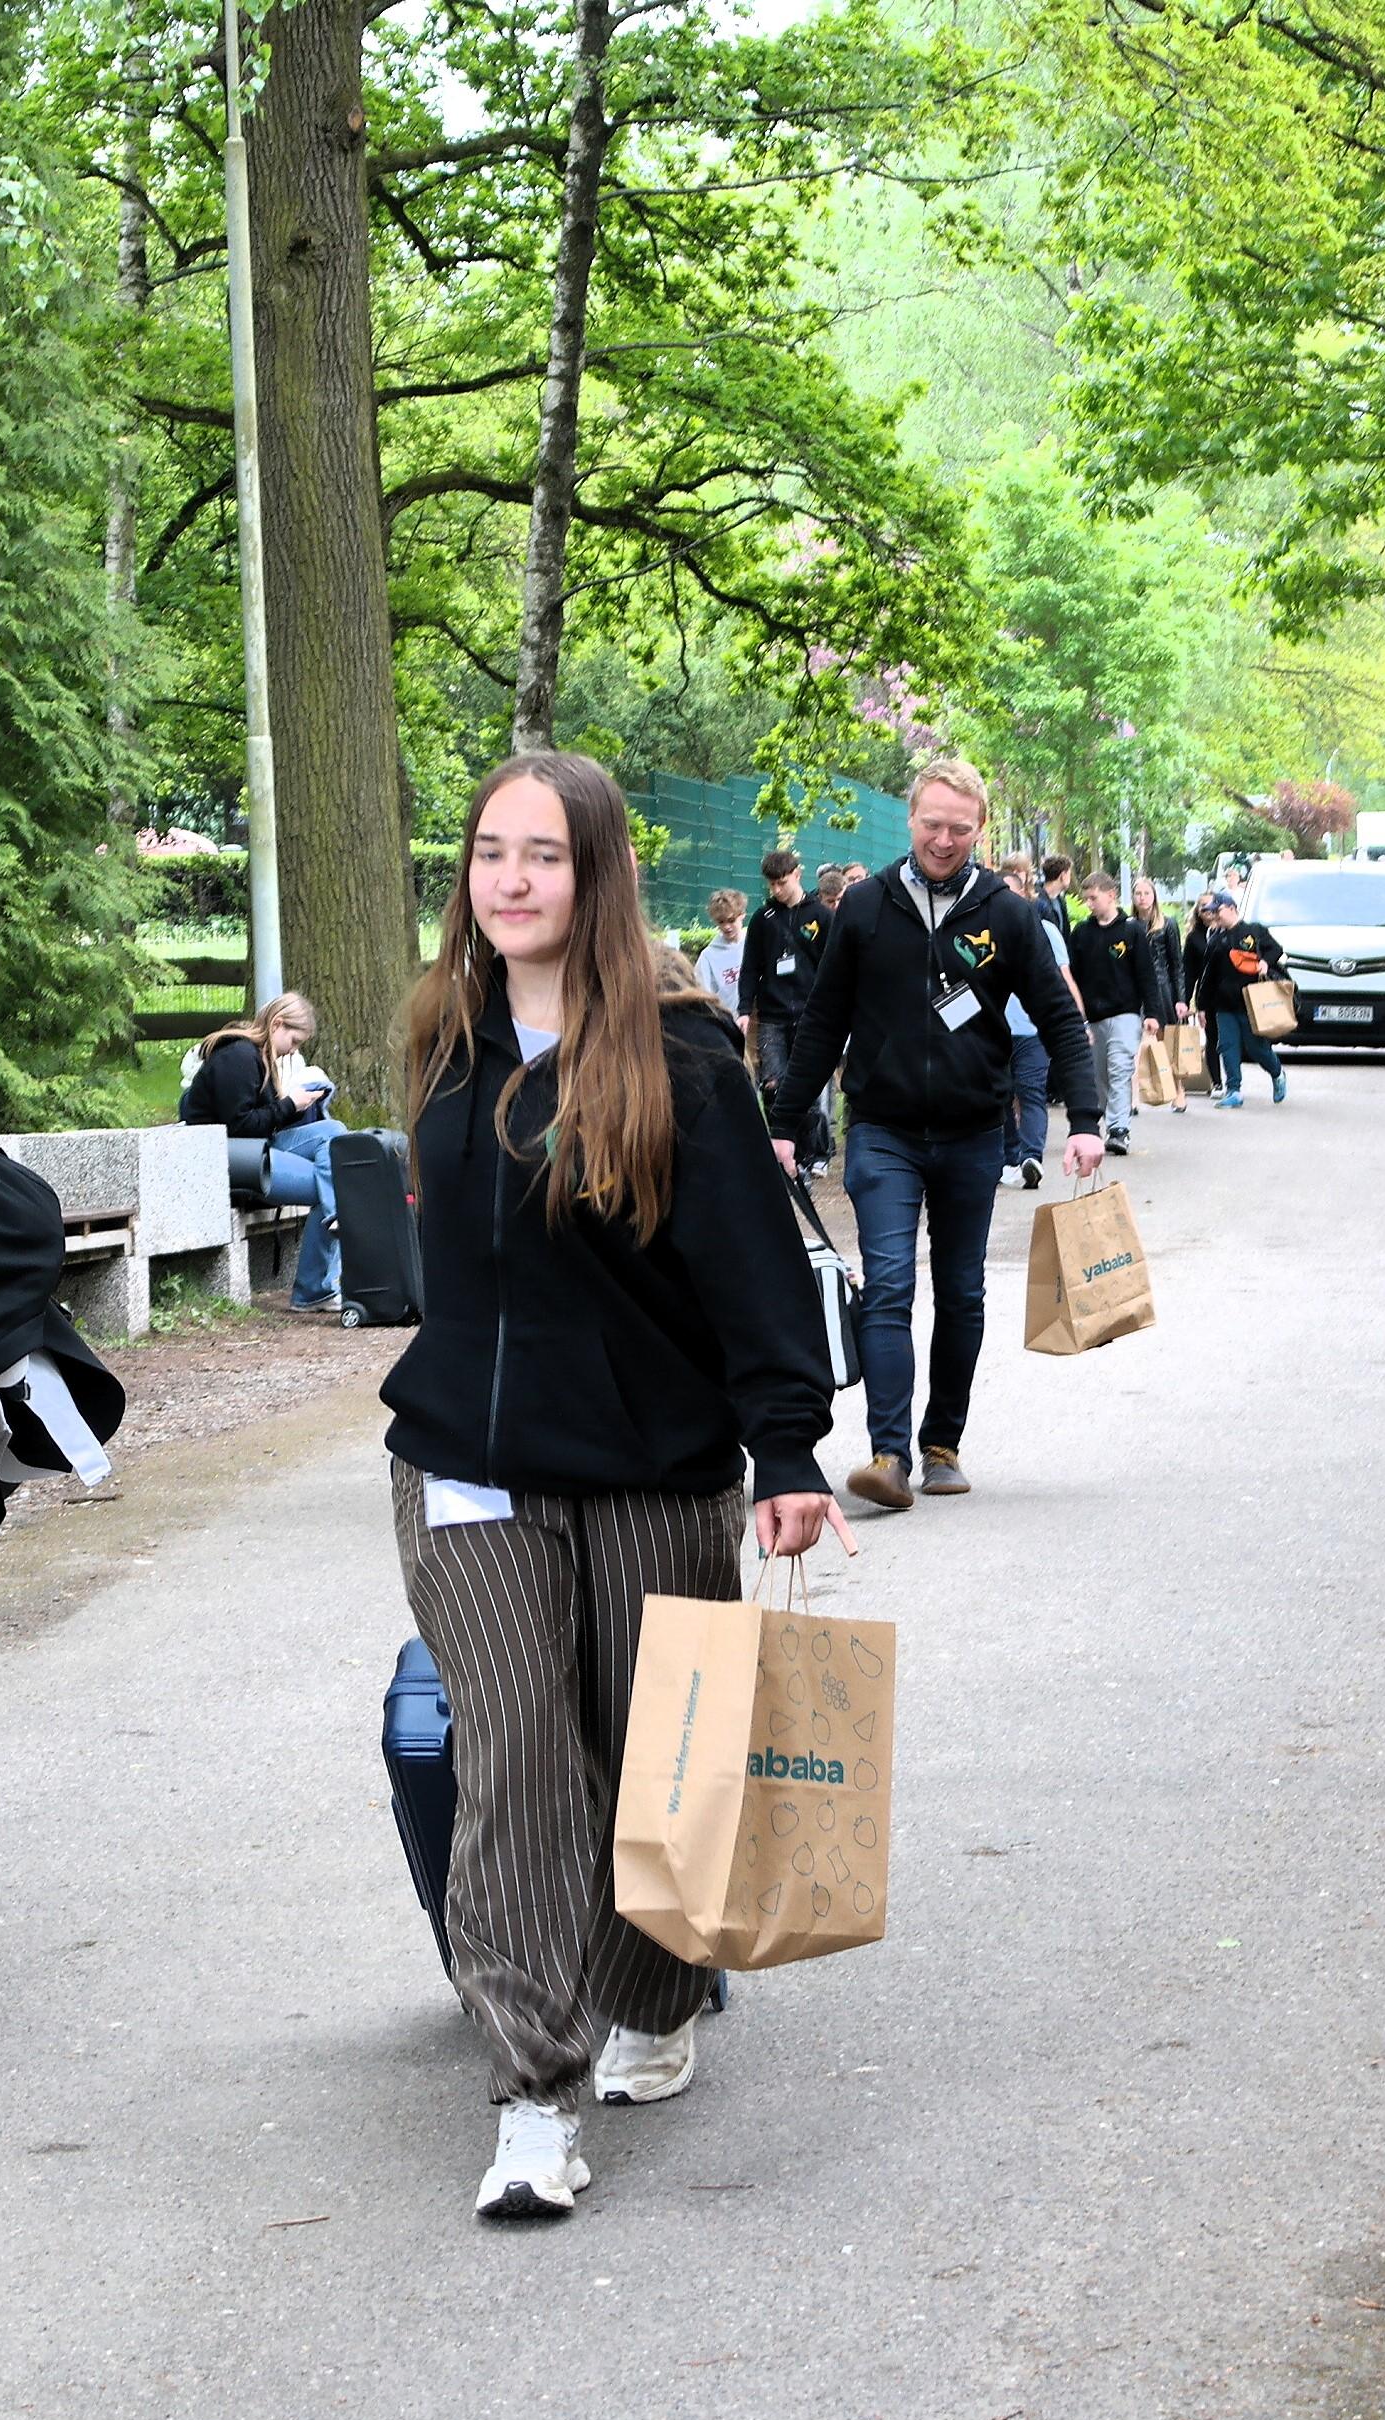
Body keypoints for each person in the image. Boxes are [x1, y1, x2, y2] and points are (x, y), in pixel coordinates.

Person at [379, 748, 848, 2219]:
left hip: (650, 1464)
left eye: (544, 854)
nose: (510, 879)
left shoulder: (679, 1052)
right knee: (516, 1754)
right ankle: (533, 2093)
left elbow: (754, 1269)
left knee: (657, 1750)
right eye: (489, 851)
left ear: (597, 876)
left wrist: (786, 1448)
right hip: (468, 1470)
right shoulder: (443, 1035)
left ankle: (657, 1987)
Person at [763, 754, 1104, 1512]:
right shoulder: (864, 906)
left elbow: (1059, 1018)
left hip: (973, 1133)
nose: (943, 840)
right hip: (881, 1130)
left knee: (960, 1290)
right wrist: (783, 1126)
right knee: (888, 1285)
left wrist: (1085, 1120)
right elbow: (822, 1020)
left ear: (980, 829)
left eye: (959, 828)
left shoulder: (1007, 914)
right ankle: (887, 1454)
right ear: (910, 819)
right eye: (931, 825)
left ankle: (941, 1444)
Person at [181, 992, 345, 1312]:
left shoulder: (258, 1056)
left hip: (253, 1147)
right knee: (336, 1183)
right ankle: (314, 1288)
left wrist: (297, 1107)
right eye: (294, 1042)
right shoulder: (239, 1057)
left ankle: (333, 1217)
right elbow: (239, 1125)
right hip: (225, 1156)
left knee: (334, 1131)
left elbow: (261, 1119)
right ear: (278, 1024)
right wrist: (289, 1105)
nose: (293, 1051)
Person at [742, 849, 834, 1171]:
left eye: (782, 882)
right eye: (771, 884)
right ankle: (782, 1153)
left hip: (811, 1015)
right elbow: (750, 968)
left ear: (797, 874)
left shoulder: (822, 916)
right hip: (772, 1016)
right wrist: (744, 1008)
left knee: (808, 1087)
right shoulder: (762, 919)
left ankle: (811, 1155)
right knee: (772, 1085)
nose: (776, 890)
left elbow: (833, 966)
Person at [1067, 872, 1158, 1158]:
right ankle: (1109, 1120)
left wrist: (1152, 1012)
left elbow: (1146, 974)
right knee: (1100, 1075)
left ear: (1111, 895)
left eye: (1093, 898)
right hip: (1093, 1016)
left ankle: (1119, 1129)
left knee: (1120, 1068)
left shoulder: (1132, 931)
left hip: (1125, 1013)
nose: (1089, 903)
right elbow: (1072, 976)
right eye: (1086, 899)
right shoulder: (1082, 933)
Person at [1187, 889, 1289, 1108]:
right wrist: (1201, 1006)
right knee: (1227, 1045)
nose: (1214, 915)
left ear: (1232, 908)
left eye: (1218, 910)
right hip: (1224, 1005)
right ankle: (1233, 1089)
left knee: (1256, 1047)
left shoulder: (1254, 931)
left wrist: (1265, 962)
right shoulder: (1216, 940)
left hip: (1252, 1002)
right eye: (1212, 911)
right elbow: (1208, 976)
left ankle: (1277, 1072)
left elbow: (1276, 950)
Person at [997, 854, 1058, 1188]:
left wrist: (1075, 1021)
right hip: (994, 1029)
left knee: (1031, 1091)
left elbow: (1063, 977)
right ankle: (1009, 1157)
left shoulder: (1045, 931)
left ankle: (1031, 1156)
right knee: (1001, 1094)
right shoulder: (979, 933)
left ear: (1024, 894)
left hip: (1032, 1029)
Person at [1132, 876, 1192, 1115]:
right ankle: (1133, 1097)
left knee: (1168, 1042)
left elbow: (1177, 964)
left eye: (1147, 893)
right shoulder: (1129, 924)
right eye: (1138, 893)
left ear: (1154, 896)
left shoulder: (1167, 924)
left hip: (1162, 988)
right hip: (1136, 989)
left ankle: (1178, 1091)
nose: (1143, 898)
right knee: (1136, 1043)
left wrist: (1181, 999)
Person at [696, 888, 749, 1014]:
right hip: (728, 1020)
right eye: (721, 922)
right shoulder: (708, 956)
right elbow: (703, 994)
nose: (726, 927)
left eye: (731, 920)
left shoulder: (754, 942)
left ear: (742, 915)